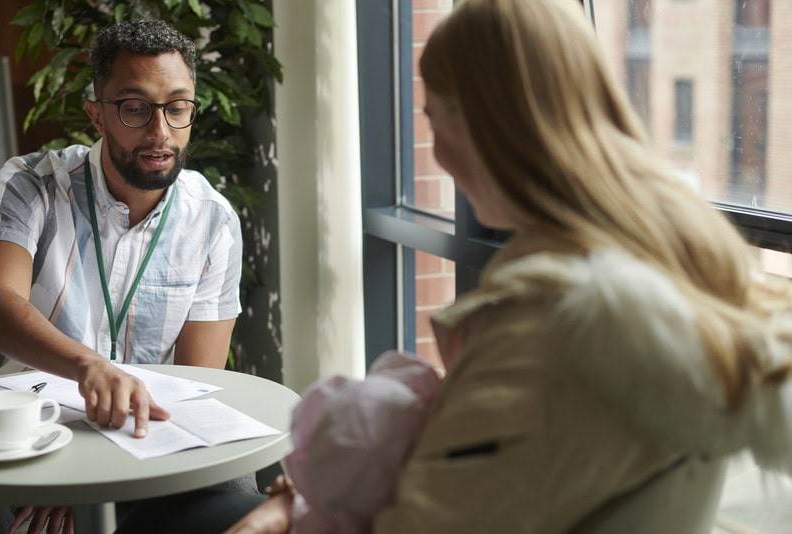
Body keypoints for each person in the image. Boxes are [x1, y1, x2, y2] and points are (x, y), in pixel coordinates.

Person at [227, 0, 792, 532]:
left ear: (479, 125)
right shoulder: (675, 271)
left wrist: (295, 507)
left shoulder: (560, 326)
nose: (437, 152)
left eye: (431, 116)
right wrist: (291, 500)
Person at [0, 18, 261, 534]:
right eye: (134, 107)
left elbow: (198, 384)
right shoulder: (31, 184)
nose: (160, 131)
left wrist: (92, 474)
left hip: (133, 436)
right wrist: (89, 371)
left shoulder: (213, 221)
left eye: (177, 107)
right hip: (18, 429)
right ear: (97, 115)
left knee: (238, 491)